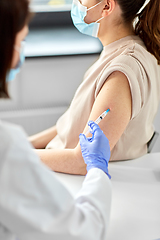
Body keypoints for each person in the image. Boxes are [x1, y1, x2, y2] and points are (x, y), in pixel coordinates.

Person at [0, 0, 112, 239]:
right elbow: (83, 230)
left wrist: (26, 147)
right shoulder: (6, 148)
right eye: (20, 41)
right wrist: (97, 170)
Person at [29, 0, 160, 175]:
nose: (77, 2)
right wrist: (23, 143)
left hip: (77, 181)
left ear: (106, 6)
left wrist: (15, 153)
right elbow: (75, 123)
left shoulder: (123, 70)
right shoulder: (121, 49)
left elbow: (82, 161)